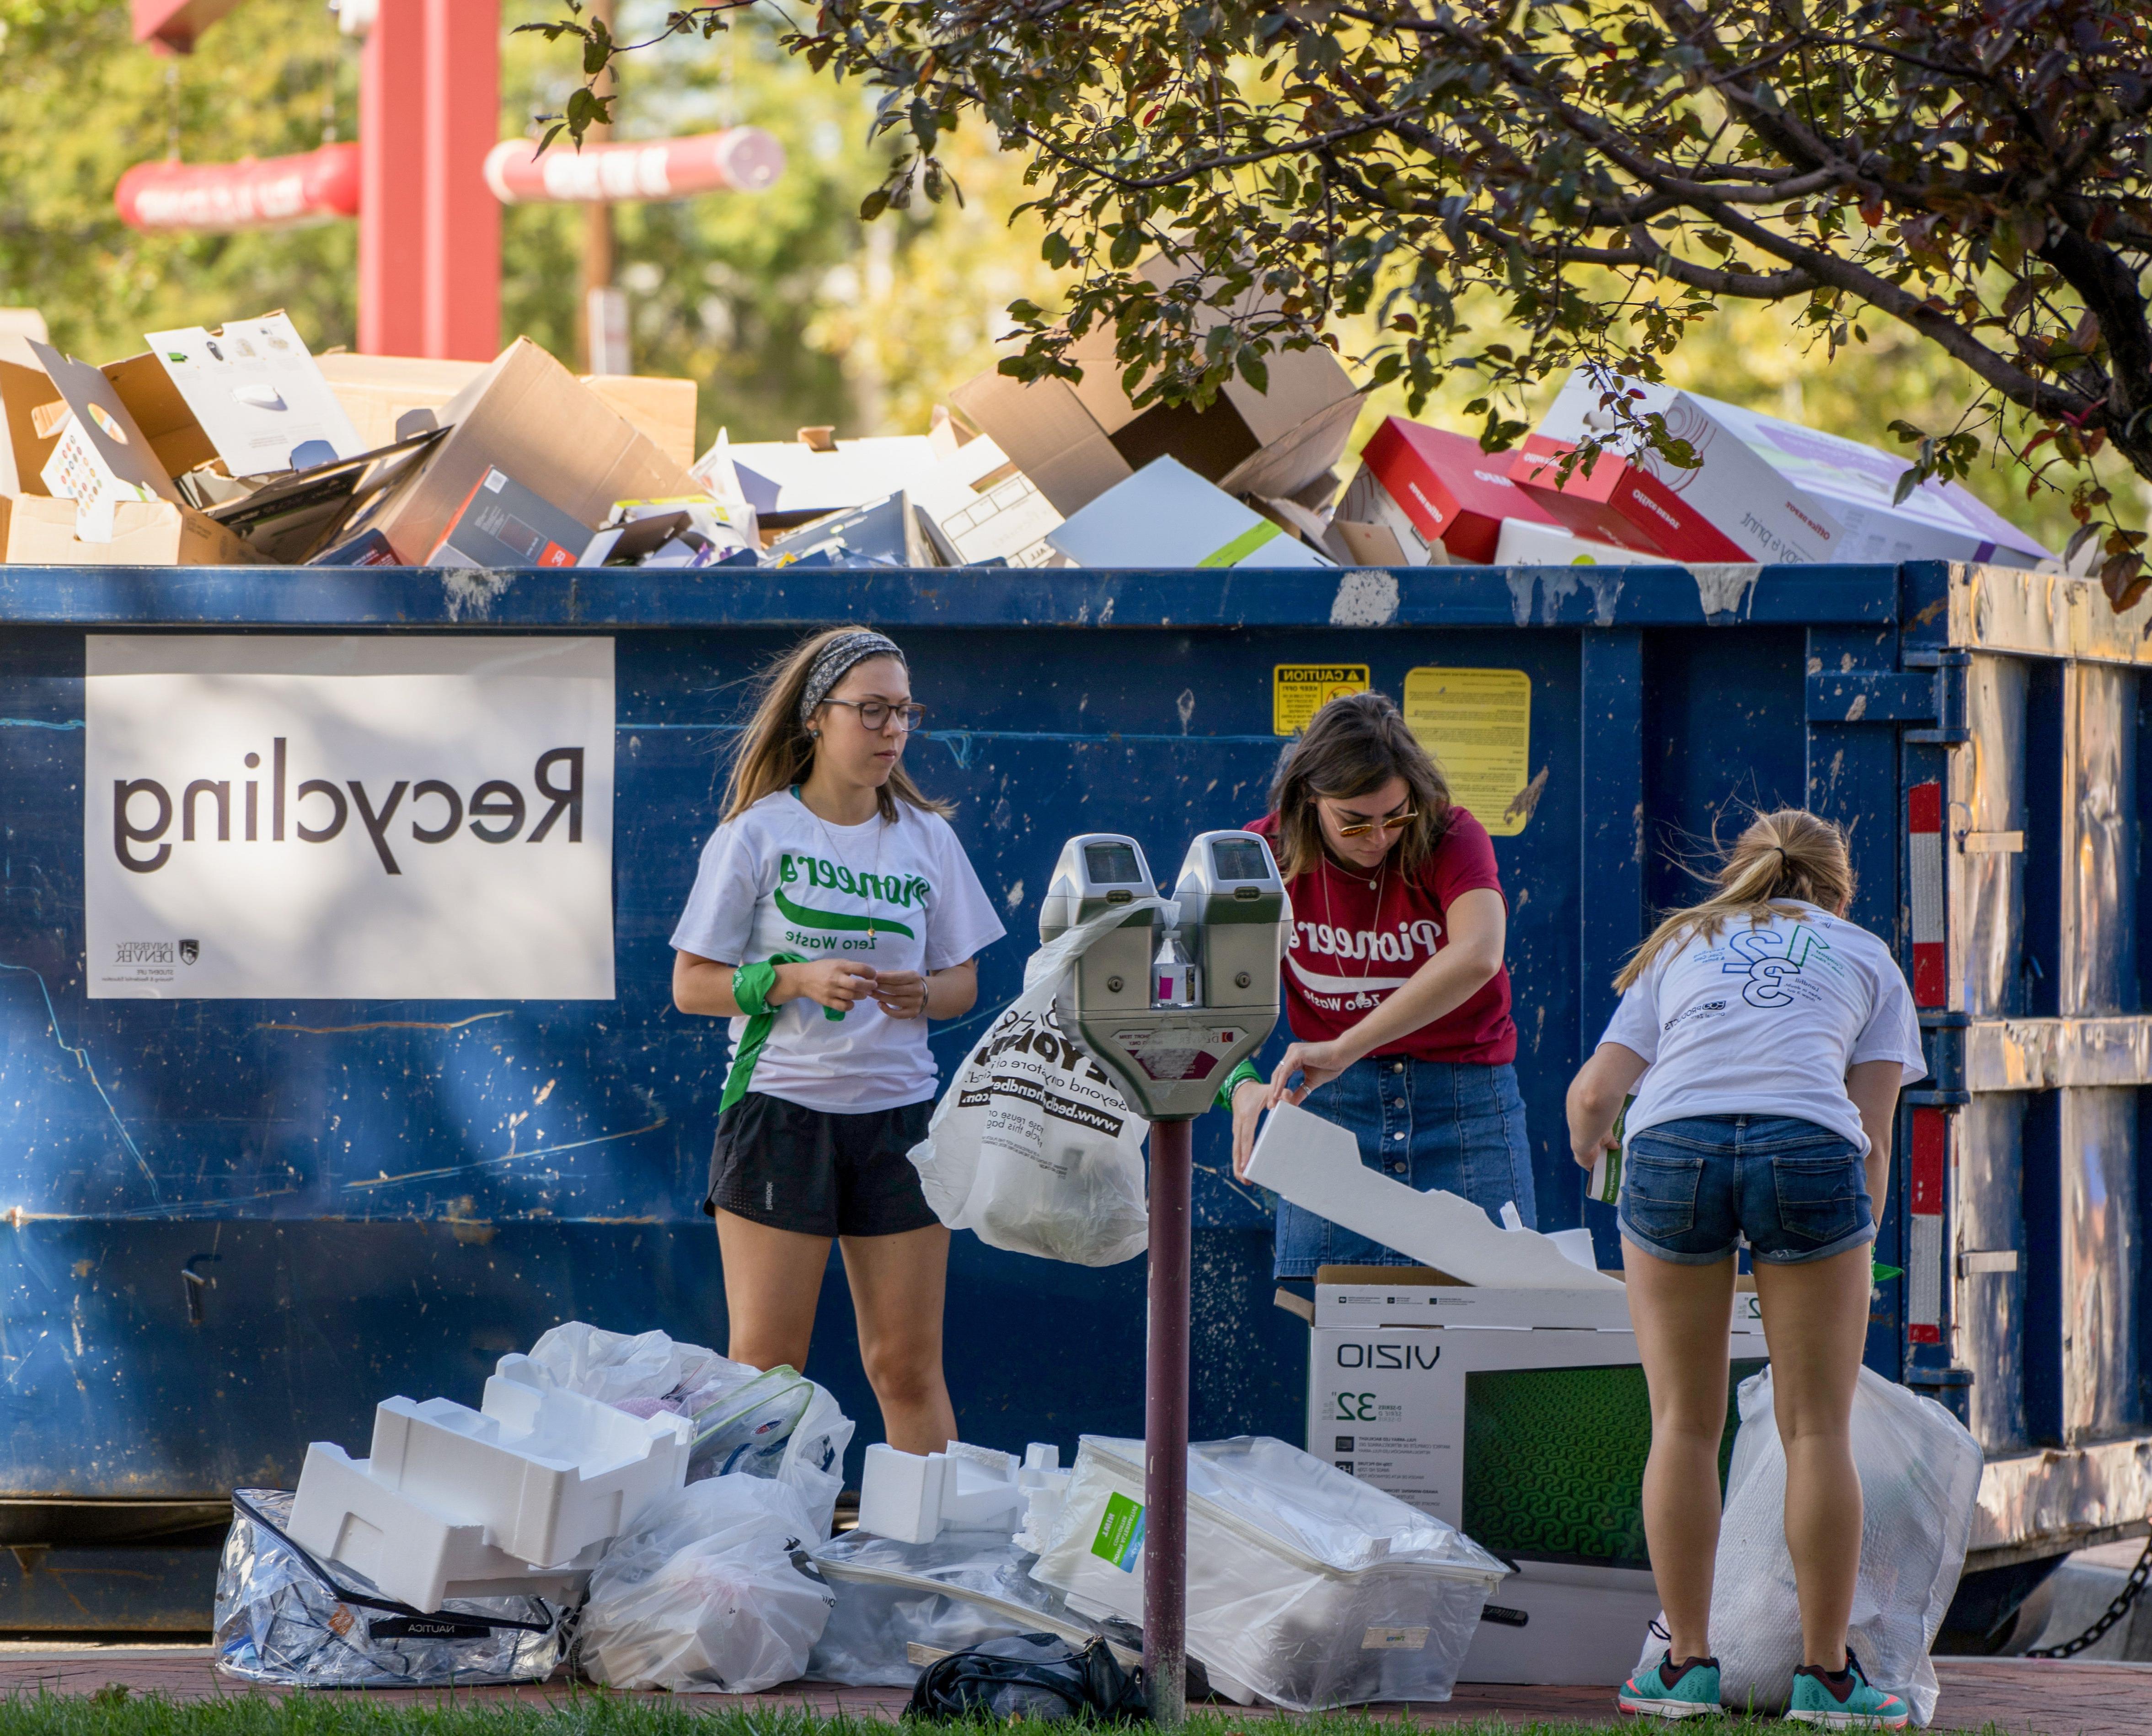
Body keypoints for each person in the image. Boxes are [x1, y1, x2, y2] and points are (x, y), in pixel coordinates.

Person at [1566, 809, 1925, 1727]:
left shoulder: (1684, 940)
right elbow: (1873, 1134)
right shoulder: (1867, 956)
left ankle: (1683, 1667)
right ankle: (1827, 1676)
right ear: (1837, 890)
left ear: (1740, 873)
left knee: (1683, 1421)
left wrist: (1596, 1149)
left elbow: (1595, 1093)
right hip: (1809, 1150)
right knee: (1816, 1429)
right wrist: (1852, 1241)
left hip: (1670, 1148)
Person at [670, 627, 1005, 1456]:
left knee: (906, 1366)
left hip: (900, 1122)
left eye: (905, 712)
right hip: (781, 1115)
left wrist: (922, 991)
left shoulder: (928, 836)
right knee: (767, 1370)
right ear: (818, 717)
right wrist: (792, 978)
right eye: (873, 710)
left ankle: (926, 1564)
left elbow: (963, 982)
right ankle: (745, 1566)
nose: (893, 729)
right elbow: (691, 985)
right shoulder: (756, 833)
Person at [1226, 690, 1534, 1276]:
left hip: (1465, 1101)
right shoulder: (1261, 853)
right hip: (1331, 1107)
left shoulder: (1450, 834)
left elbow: (1477, 954)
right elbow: (1206, 990)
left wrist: (1343, 1047)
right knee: (1337, 1321)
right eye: (1354, 821)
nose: (1379, 836)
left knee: (1496, 1309)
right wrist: (1239, 1083)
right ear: (1308, 798)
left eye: (1395, 815)